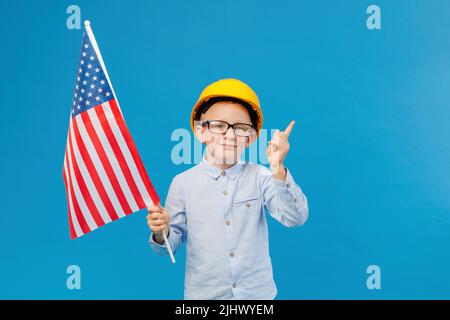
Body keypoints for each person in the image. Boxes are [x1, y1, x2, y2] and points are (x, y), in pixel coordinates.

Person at [147, 78, 309, 299]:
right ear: (200, 131)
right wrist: (161, 232)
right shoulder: (182, 183)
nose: (230, 135)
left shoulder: (261, 176)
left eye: (241, 128)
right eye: (219, 126)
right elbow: (167, 247)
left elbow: (295, 218)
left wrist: (278, 169)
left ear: (251, 137)